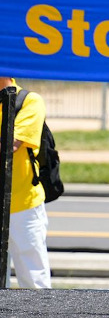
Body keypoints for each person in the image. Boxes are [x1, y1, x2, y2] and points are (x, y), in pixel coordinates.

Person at [0, 77, 51, 289]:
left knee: (34, 284)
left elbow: (9, 145)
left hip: (22, 206)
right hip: (19, 205)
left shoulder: (29, 101)